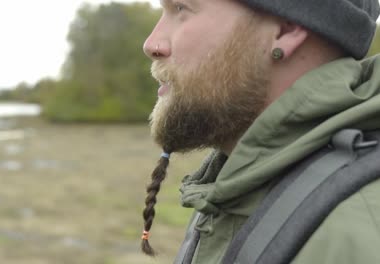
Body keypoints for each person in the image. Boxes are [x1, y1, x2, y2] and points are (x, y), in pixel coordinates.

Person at [140, 0, 380, 263]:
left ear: (286, 30)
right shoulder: (231, 187)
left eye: (180, 9)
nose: (152, 44)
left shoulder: (358, 238)